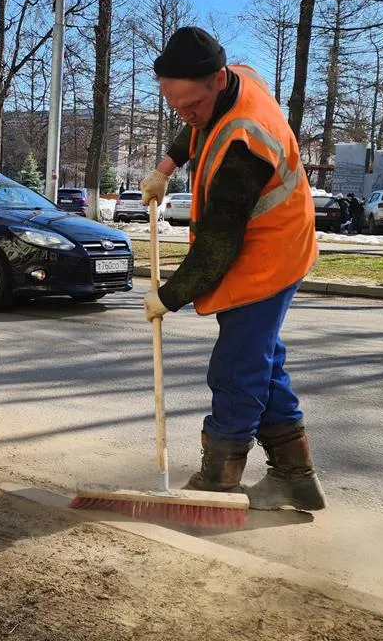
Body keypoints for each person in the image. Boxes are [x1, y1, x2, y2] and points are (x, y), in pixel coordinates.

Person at [139, 27, 324, 512]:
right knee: (263, 361)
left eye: (192, 103)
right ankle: (295, 476)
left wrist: (169, 295)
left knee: (238, 366)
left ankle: (219, 481)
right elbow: (195, 124)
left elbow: (219, 245)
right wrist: (166, 166)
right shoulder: (230, 82)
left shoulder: (246, 143)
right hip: (262, 239)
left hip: (269, 251)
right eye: (174, 103)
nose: (186, 113)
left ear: (218, 80)